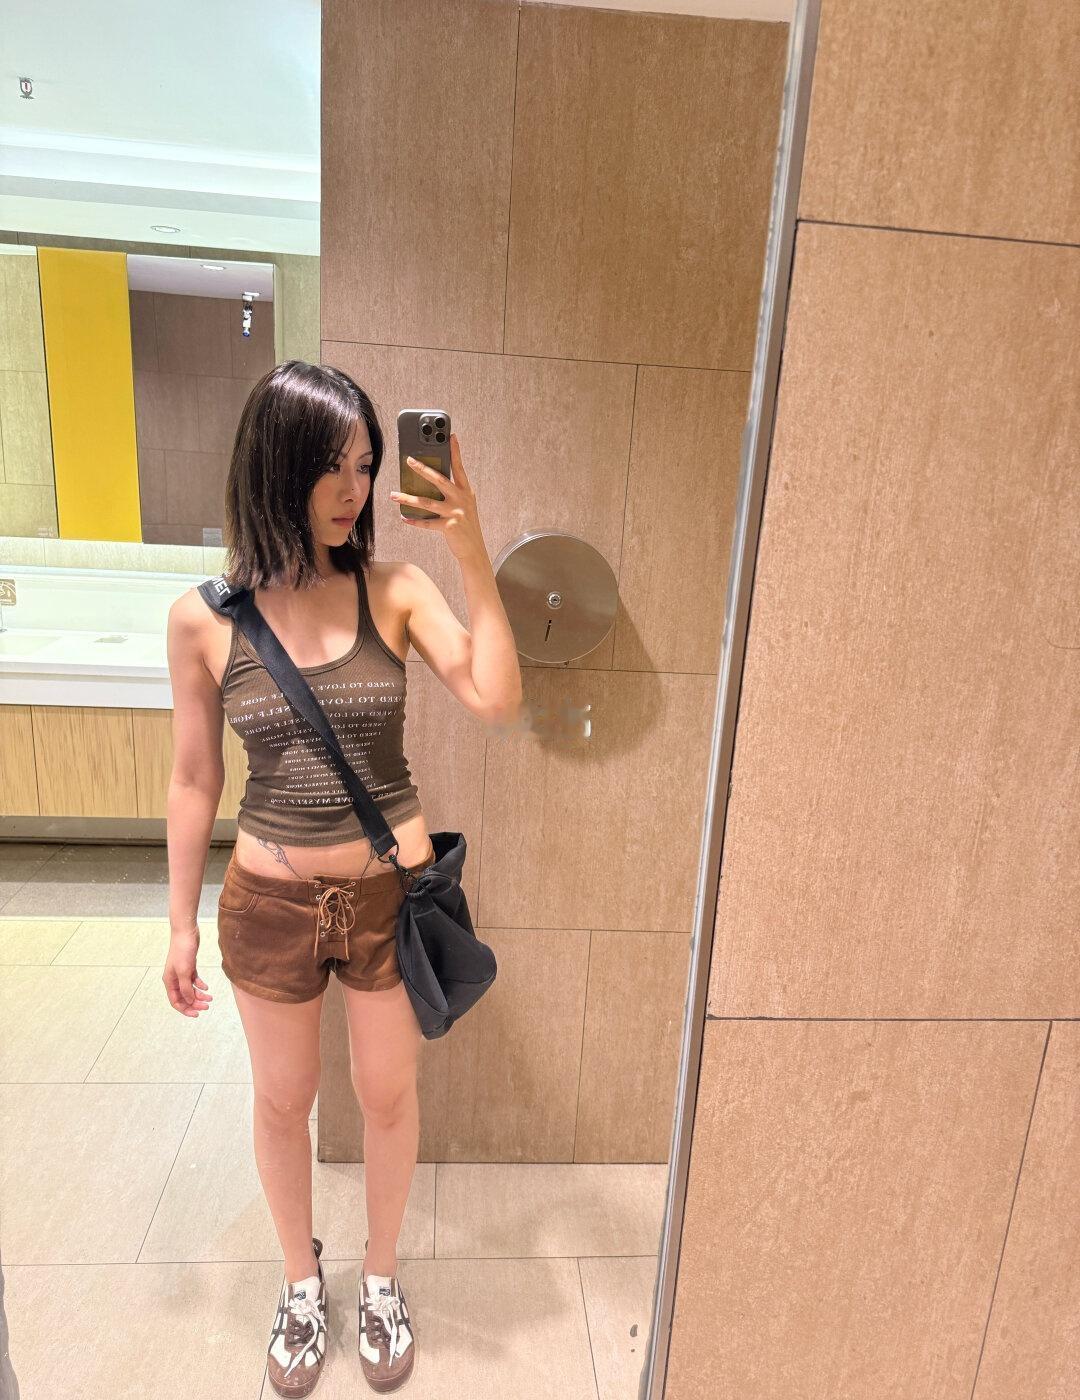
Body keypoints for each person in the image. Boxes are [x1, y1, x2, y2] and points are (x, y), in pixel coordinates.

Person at [162, 361, 521, 1396]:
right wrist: (178, 921)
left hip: (386, 897)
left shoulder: (395, 590)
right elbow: (194, 780)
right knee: (284, 1101)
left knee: (386, 1093)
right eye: (332, 465)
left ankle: (382, 1276)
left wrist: (468, 545)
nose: (354, 488)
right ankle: (298, 1280)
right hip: (269, 901)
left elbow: (496, 697)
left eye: (365, 465)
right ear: (273, 465)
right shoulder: (204, 618)